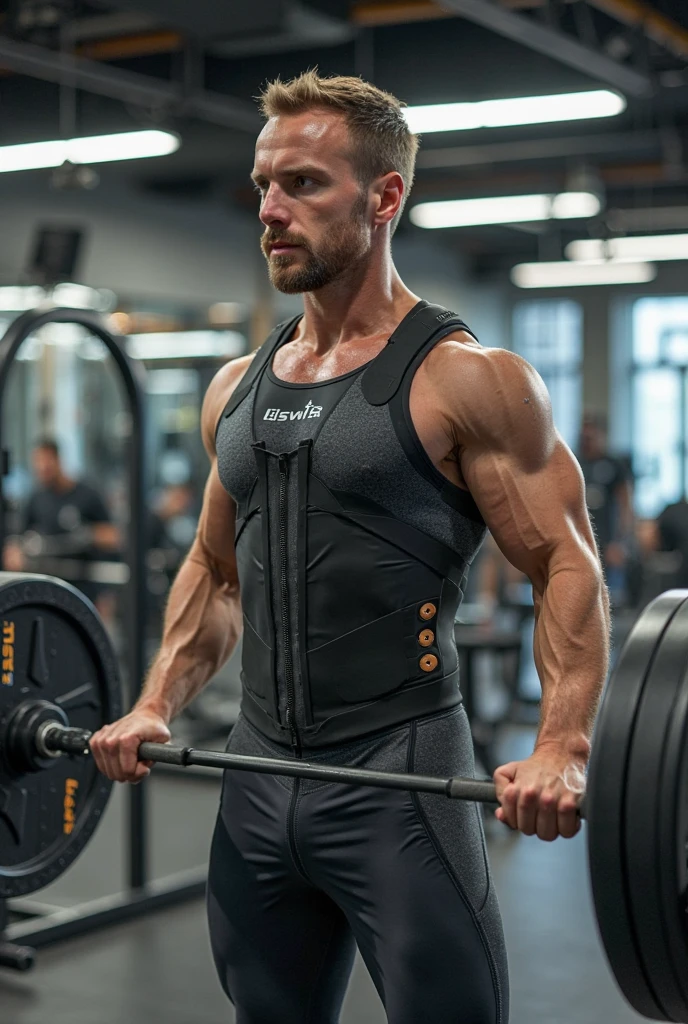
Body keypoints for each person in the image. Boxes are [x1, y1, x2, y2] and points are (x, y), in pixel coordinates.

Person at [90, 72, 608, 1024]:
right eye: (261, 186)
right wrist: (156, 702)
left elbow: (565, 563)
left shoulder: (470, 380)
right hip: (254, 778)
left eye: (303, 185)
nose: (270, 211)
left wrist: (562, 748)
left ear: (384, 196)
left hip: (399, 779)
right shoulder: (236, 388)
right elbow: (212, 570)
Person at [4, 438, 121, 622]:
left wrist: (89, 535)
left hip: (84, 588)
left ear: (58, 460)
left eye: (46, 462)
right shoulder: (36, 499)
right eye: (38, 464)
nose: (42, 469)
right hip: (48, 590)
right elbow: (16, 541)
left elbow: (114, 536)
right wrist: (15, 553)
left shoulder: (87, 495)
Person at [577, 412, 635, 600]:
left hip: (608, 542)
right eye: (584, 437)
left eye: (591, 437)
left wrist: (620, 542)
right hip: (581, 540)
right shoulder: (575, 463)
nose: (588, 441)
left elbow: (626, 505)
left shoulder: (614, 465)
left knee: (606, 595)